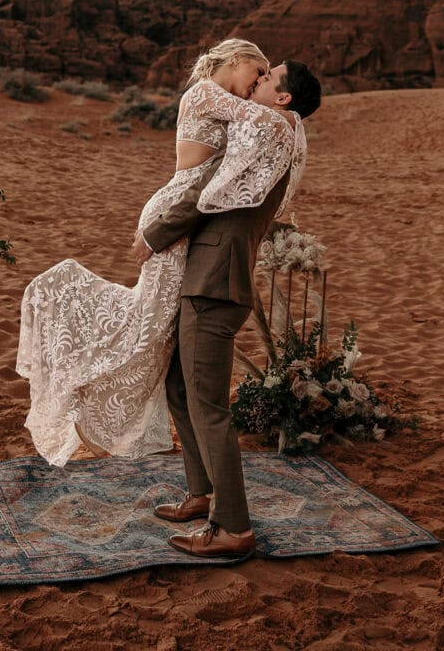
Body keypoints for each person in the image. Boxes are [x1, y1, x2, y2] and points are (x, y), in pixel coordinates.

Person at [17, 39, 306, 466]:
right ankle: (85, 394)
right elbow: (264, 121)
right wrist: (295, 117)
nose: (258, 82)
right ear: (237, 60)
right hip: (174, 215)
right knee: (149, 328)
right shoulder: (207, 92)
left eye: (266, 77)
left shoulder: (227, 101)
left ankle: (108, 408)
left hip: (189, 221)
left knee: (161, 332)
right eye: (257, 73)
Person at [133, 60, 321, 560]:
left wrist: (155, 234)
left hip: (214, 283)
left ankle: (232, 527)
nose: (257, 81)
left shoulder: (268, 129)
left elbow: (208, 190)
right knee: (179, 385)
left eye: (268, 78)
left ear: (283, 98)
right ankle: (202, 492)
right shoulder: (281, 129)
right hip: (212, 277)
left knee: (208, 404)